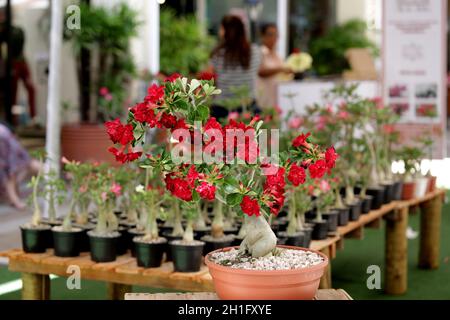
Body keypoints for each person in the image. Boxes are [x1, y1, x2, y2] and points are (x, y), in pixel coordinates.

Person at [208, 15, 262, 119]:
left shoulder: (218, 53)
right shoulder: (255, 51)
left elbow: (209, 80)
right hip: (248, 107)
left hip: (221, 108)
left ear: (225, 31)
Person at [0, 7, 36, 120]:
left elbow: (17, 43)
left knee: (30, 89)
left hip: (19, 63)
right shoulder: (5, 31)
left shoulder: (16, 30)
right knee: (13, 93)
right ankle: (13, 119)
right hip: (11, 64)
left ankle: (32, 116)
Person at [0, 123, 40, 209]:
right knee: (10, 177)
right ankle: (14, 200)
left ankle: (14, 199)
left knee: (11, 176)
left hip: (12, 163)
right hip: (9, 164)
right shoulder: (6, 136)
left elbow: (17, 158)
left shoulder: (6, 136)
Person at [257, 23, 293, 109]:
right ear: (263, 36)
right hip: (263, 99)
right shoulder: (260, 53)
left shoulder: (277, 55)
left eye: (276, 35)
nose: (273, 38)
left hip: (277, 99)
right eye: (270, 35)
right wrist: (281, 69)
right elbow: (260, 71)